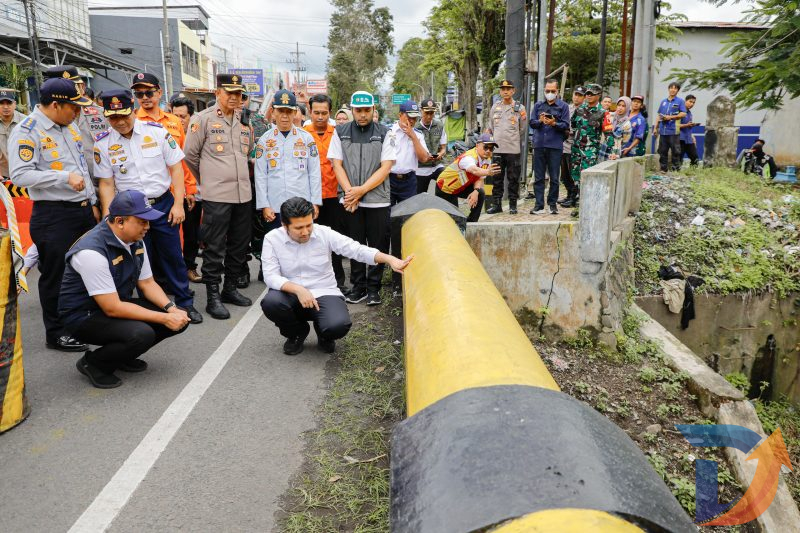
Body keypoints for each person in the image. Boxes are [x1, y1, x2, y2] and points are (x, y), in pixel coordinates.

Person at [59, 190, 190, 389]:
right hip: (82, 316)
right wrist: (164, 318)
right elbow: (112, 308)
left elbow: (147, 284)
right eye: (142, 221)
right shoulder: (91, 252)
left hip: (114, 303)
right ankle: (94, 363)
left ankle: (122, 355)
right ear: (120, 221)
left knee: (178, 317)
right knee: (142, 333)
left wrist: (171, 309)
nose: (148, 227)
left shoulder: (135, 239)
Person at [94, 89, 203, 324]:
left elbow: (176, 169)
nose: (120, 122)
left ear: (133, 110)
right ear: (106, 117)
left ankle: (185, 302)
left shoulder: (157, 132)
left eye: (124, 115)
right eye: (113, 118)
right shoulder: (103, 143)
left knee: (173, 255)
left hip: (162, 205)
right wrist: (108, 216)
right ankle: (152, 308)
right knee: (142, 260)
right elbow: (106, 183)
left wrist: (178, 204)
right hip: (130, 211)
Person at [9, 78, 98, 351]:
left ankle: (82, 322)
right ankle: (57, 332)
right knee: (56, 275)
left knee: (86, 270)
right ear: (56, 104)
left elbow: (83, 168)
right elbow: (21, 174)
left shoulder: (68, 127)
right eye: (74, 107)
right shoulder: (27, 131)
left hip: (82, 211)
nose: (78, 112)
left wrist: (92, 201)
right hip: (54, 214)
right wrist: (63, 178)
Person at [260, 197, 412, 355]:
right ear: (285, 225)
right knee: (272, 303)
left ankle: (324, 332)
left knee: (337, 325)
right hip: (290, 294)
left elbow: (355, 249)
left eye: (308, 225)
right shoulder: (272, 239)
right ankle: (297, 333)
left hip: (324, 291)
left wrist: (390, 259)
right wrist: (298, 289)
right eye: (299, 228)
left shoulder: (324, 233)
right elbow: (270, 276)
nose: (305, 232)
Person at [183, 74, 254, 320]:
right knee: (214, 247)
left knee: (238, 246)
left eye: (238, 93)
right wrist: (209, 181)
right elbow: (190, 156)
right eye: (229, 93)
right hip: (216, 196)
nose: (234, 98)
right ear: (218, 93)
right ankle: (212, 296)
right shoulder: (202, 120)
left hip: (243, 195)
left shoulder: (245, 121)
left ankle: (230, 289)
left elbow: (246, 155)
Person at [327, 90, 396, 306]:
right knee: (353, 244)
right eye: (359, 110)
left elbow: (386, 168)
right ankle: (358, 287)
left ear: (373, 109)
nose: (363, 114)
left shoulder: (386, 133)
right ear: (352, 110)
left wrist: (360, 191)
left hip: (378, 200)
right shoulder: (340, 132)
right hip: (349, 200)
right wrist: (350, 192)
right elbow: (336, 164)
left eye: (367, 110)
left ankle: (373, 288)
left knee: (377, 243)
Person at [254, 89, 322, 233]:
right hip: (274, 205)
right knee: (276, 245)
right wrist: (264, 205)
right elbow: (260, 175)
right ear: (273, 112)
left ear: (295, 112)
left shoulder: (306, 138)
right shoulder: (265, 140)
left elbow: (314, 172)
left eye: (289, 111)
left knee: (302, 245)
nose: (285, 116)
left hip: (301, 204)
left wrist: (315, 202)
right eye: (280, 111)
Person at [304, 93, 347, 292]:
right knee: (310, 241)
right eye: (316, 113)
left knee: (334, 240)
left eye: (324, 113)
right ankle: (314, 282)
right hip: (310, 197)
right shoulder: (302, 135)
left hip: (334, 196)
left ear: (330, 112)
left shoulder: (339, 133)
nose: (320, 117)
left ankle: (338, 281)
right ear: (309, 111)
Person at [387, 100, 429, 295]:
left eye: (414, 119)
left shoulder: (418, 135)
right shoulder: (388, 132)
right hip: (388, 180)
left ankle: (403, 275)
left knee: (406, 226)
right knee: (388, 225)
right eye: (408, 118)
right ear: (400, 115)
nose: (411, 122)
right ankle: (390, 270)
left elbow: (423, 158)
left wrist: (412, 136)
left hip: (409, 182)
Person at [43, 66, 108, 182]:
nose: (70, 90)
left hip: (103, 183)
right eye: (62, 88)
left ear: (82, 86)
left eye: (74, 86)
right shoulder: (43, 122)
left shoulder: (102, 114)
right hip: (68, 189)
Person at [169, 95, 203, 283]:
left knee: (192, 233)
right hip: (172, 193)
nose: (179, 120)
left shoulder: (197, 133)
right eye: (176, 115)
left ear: (191, 117)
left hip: (193, 192)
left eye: (183, 116)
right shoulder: (166, 134)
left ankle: (189, 267)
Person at [435, 133, 500, 222]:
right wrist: (488, 172)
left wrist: (476, 191)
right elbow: (474, 170)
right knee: (453, 220)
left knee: (480, 193)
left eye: (491, 148)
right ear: (477, 146)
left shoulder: (487, 159)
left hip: (461, 186)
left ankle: (472, 222)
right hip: (445, 188)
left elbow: (480, 177)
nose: (488, 151)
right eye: (486, 147)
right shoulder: (468, 157)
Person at [529, 78, 570, 215]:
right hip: (539, 145)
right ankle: (539, 205)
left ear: (557, 91)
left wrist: (554, 124)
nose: (550, 93)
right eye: (547, 91)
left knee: (554, 177)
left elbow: (565, 125)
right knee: (539, 177)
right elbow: (532, 123)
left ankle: (552, 204)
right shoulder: (538, 105)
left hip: (555, 146)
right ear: (544, 91)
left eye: (553, 91)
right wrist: (540, 121)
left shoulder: (563, 106)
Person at [486, 79, 527, 214]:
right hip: (497, 149)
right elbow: (491, 127)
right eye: (503, 89)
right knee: (496, 178)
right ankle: (497, 204)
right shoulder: (495, 107)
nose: (505, 91)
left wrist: (511, 137)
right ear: (500, 91)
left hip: (513, 149)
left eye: (508, 89)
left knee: (513, 178)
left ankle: (513, 205)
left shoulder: (519, 108)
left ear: (513, 91)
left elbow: (522, 128)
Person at [569, 83, 605, 206]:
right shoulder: (579, 110)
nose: (589, 96)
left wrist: (611, 152)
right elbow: (573, 125)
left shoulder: (602, 113)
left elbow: (609, 134)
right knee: (575, 175)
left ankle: (586, 203)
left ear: (598, 95)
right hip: (577, 148)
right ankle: (577, 199)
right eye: (587, 94)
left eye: (592, 94)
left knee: (588, 175)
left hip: (591, 150)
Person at [557, 86, 584, 208]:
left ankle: (574, 197)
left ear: (583, 97)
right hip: (564, 144)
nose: (576, 97)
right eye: (575, 94)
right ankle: (568, 194)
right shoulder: (567, 108)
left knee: (573, 173)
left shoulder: (584, 110)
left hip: (576, 146)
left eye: (579, 95)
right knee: (564, 174)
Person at [414, 98, 447, 195]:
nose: (429, 116)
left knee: (447, 183)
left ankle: (448, 209)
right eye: (426, 113)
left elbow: (443, 148)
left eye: (431, 113)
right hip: (420, 168)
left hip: (437, 166)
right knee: (419, 198)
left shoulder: (439, 125)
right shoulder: (415, 128)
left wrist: (440, 154)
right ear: (421, 111)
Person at [653, 81, 687, 172]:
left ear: (677, 90)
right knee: (662, 150)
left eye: (675, 88)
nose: (673, 89)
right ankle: (663, 169)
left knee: (675, 151)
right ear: (668, 89)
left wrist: (671, 117)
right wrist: (655, 128)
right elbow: (659, 115)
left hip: (673, 130)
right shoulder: (663, 101)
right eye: (671, 88)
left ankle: (676, 169)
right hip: (663, 131)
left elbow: (683, 113)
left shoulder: (680, 101)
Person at [599, 96, 633, 162]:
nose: (620, 108)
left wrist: (618, 154)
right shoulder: (609, 116)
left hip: (614, 154)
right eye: (619, 105)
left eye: (623, 106)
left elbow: (625, 142)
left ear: (627, 107)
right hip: (602, 150)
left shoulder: (627, 124)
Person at [0, 88, 25, 179]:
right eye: (1, 103)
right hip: (3, 175)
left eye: (9, 103)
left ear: (14, 104)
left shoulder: (26, 121)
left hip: (25, 173)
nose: (5, 107)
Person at [679, 94, 699, 167]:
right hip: (680, 139)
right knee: (679, 159)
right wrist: (686, 125)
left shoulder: (689, 113)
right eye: (690, 102)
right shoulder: (680, 112)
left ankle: (692, 172)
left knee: (695, 158)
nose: (692, 104)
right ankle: (675, 173)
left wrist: (692, 136)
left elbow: (688, 126)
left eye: (693, 103)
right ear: (685, 101)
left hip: (689, 139)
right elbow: (674, 126)